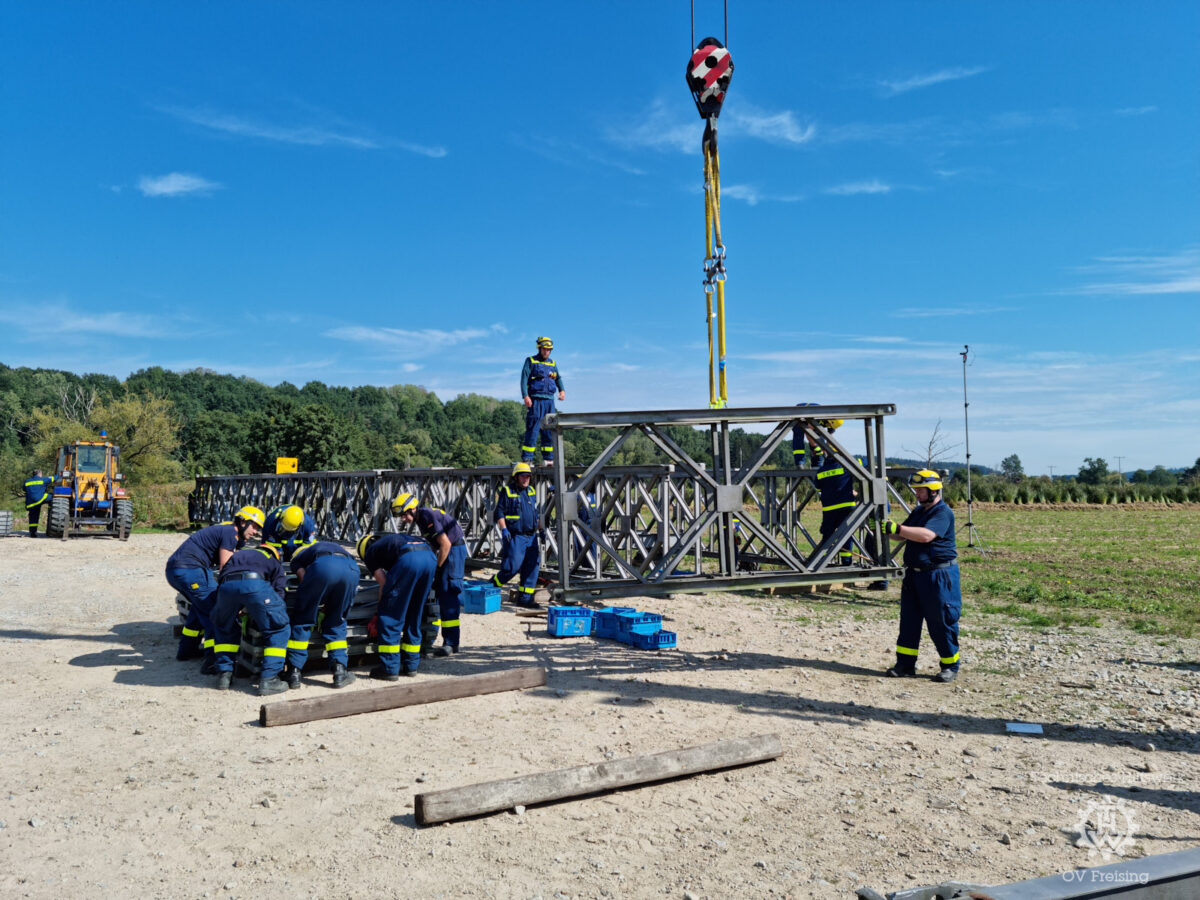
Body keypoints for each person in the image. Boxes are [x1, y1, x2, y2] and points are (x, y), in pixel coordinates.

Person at [882, 470, 962, 683]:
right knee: (909, 621)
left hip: (938, 575)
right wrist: (886, 530)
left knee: (941, 621)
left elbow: (926, 536)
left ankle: (950, 665)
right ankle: (905, 665)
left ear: (934, 491)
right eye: (916, 490)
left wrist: (898, 527)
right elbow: (902, 534)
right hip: (914, 575)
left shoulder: (942, 513)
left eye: (920, 490)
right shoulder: (919, 511)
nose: (917, 493)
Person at [166, 506, 265, 667]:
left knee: (200, 608)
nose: (255, 532)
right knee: (214, 611)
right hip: (190, 570)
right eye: (254, 526)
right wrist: (232, 598)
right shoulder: (230, 533)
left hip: (177, 570)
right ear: (242, 522)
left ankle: (186, 651)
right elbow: (226, 567)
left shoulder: (226, 532)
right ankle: (212, 661)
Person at [209, 544, 291, 694]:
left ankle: (224, 675)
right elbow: (280, 590)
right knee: (278, 628)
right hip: (255, 584)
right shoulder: (271, 558)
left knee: (224, 627)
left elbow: (222, 578)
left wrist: (238, 606)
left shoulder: (237, 556)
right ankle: (269, 679)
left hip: (226, 587)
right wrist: (271, 611)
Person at [392, 492, 467, 656]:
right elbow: (434, 545)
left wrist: (437, 568)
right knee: (442, 592)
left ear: (412, 508)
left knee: (448, 593)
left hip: (453, 551)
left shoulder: (426, 516)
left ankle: (452, 643)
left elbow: (445, 544)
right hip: (450, 551)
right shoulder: (421, 518)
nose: (403, 519)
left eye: (404, 514)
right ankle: (449, 641)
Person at [358, 531, 437, 679]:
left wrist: (378, 613)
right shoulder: (394, 540)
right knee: (415, 613)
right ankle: (411, 665)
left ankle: (389, 668)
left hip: (409, 560)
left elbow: (383, 584)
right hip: (429, 558)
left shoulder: (370, 553)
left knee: (391, 616)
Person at [283, 540, 361, 689]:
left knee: (302, 620)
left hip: (324, 568)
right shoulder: (327, 546)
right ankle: (340, 671)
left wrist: (312, 599)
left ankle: (293, 672)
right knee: (336, 620)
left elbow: (303, 578)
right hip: (352, 569)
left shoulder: (299, 558)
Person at [491, 462, 542, 608]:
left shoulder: (531, 491)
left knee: (532, 567)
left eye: (528, 476)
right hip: (516, 536)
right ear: (516, 477)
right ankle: (492, 585)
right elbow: (499, 512)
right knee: (511, 567)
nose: (526, 479)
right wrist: (503, 529)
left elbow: (535, 514)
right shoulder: (507, 491)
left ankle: (525, 599)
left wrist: (542, 529)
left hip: (531, 536)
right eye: (523, 476)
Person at [520, 336, 565, 467]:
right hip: (535, 400)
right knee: (533, 428)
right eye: (544, 349)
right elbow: (524, 379)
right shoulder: (531, 361)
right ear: (539, 348)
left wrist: (562, 390)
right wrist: (525, 396)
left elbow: (558, 378)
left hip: (549, 401)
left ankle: (549, 459)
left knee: (549, 430)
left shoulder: (552, 363)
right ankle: (527, 459)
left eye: (549, 350)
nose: (546, 352)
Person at [816, 448, 858, 566]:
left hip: (829, 509)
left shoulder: (821, 471)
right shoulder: (846, 467)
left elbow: (818, 488)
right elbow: (862, 463)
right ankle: (846, 561)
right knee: (845, 534)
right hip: (846, 507)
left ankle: (822, 561)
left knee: (828, 534)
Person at [23, 469, 55, 538]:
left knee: (33, 518)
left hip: (31, 503)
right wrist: (61, 474)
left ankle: (32, 533)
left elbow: (24, 489)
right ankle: (51, 508)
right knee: (53, 497)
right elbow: (53, 478)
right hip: (40, 499)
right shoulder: (42, 480)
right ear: (40, 474)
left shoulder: (27, 481)